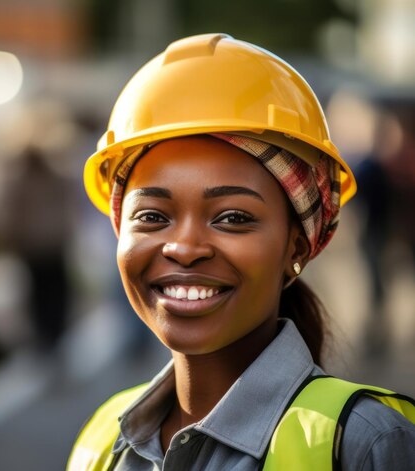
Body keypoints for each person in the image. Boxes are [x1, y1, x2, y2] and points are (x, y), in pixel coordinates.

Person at [67, 34, 415, 470]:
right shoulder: (102, 437)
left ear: (298, 245)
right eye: (153, 217)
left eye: (232, 217)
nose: (184, 248)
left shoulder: (367, 444)